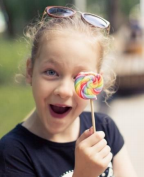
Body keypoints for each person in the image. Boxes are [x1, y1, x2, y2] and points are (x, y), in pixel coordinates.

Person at [0, 6, 137, 177]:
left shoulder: (105, 129)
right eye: (51, 72)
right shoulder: (12, 152)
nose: (64, 91)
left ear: (96, 82)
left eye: (79, 77)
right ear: (30, 71)